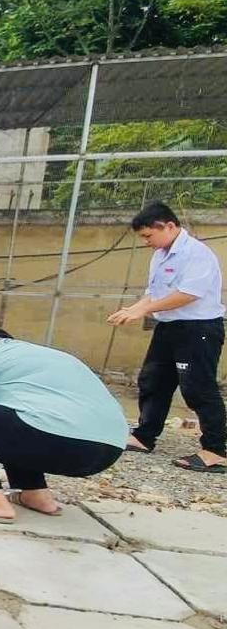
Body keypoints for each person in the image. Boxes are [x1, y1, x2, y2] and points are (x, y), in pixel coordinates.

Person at [0, 327, 126, 523]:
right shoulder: (53, 356)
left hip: (62, 443)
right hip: (111, 449)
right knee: (17, 419)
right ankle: (35, 495)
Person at [108, 201, 227, 473]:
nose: (146, 242)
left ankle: (215, 450)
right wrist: (134, 309)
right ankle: (144, 435)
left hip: (197, 329)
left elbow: (188, 294)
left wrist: (144, 310)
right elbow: (155, 293)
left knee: (197, 387)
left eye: (148, 235)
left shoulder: (197, 253)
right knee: (153, 380)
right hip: (168, 327)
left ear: (169, 226)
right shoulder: (160, 255)